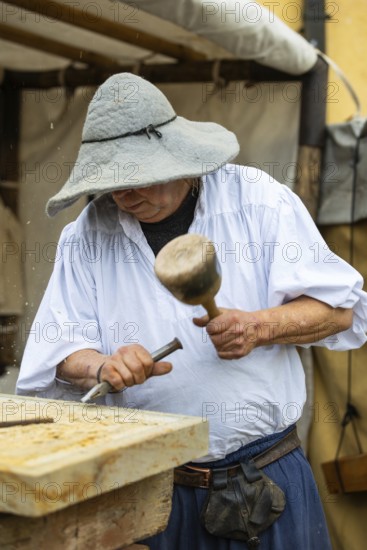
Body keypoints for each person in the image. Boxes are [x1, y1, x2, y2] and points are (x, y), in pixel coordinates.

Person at [17, 73, 367, 550]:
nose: (122, 195)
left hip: (263, 480)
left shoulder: (257, 201)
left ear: (178, 160)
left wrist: (259, 327)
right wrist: (101, 364)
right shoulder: (86, 234)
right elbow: (59, 346)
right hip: (148, 489)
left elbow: (340, 311)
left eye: (134, 177)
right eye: (110, 180)